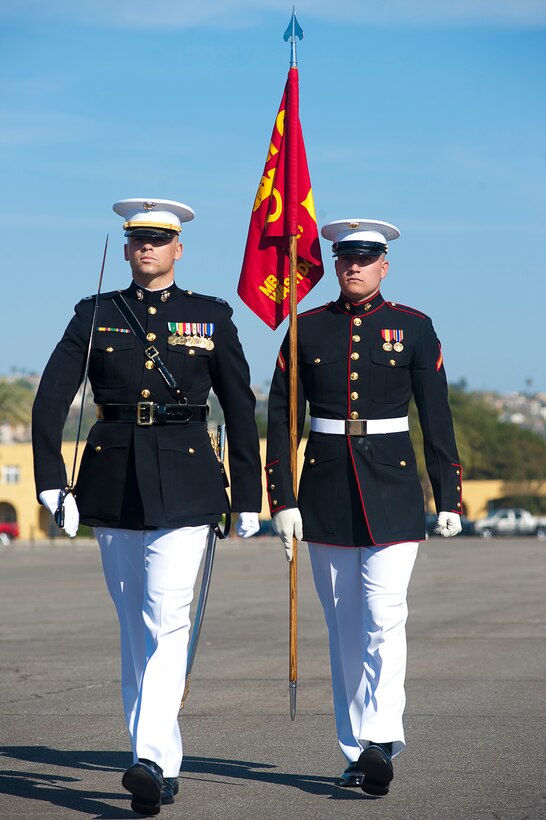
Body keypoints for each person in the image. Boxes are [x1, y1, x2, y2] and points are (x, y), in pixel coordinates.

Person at [32, 198, 262, 815]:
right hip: (110, 479)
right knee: (135, 625)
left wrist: (249, 496)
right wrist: (52, 481)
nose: (147, 250)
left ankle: (149, 759)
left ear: (178, 248)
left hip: (187, 479)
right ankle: (161, 753)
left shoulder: (210, 316)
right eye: (137, 241)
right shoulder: (96, 313)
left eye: (160, 240)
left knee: (167, 618)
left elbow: (241, 410)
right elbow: (52, 398)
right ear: (128, 248)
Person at [265, 219, 462, 797]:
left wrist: (447, 495)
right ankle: (356, 750)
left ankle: (380, 739)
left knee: (385, 616)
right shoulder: (306, 331)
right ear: (333, 263)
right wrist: (283, 500)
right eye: (344, 257)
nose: (353, 265)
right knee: (344, 627)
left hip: (394, 490)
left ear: (384, 264)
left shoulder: (414, 327)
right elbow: (282, 421)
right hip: (325, 489)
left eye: (366, 257)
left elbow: (437, 416)